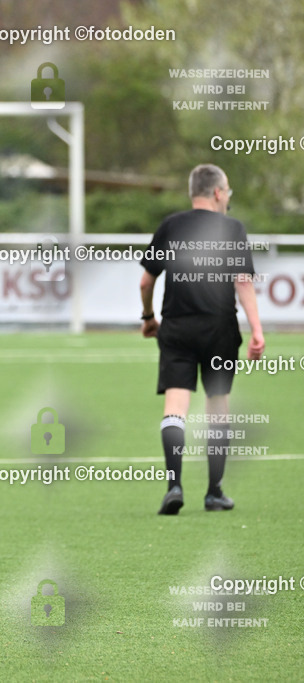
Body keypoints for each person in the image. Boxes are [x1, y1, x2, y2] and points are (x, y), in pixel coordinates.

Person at [139, 163, 264, 515]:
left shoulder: (171, 226)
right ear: (219, 193)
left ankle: (174, 486)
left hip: (176, 327)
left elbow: (146, 282)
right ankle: (213, 492)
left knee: (175, 409)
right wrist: (256, 329)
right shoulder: (232, 228)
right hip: (219, 328)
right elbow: (243, 282)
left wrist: (149, 318)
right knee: (218, 408)